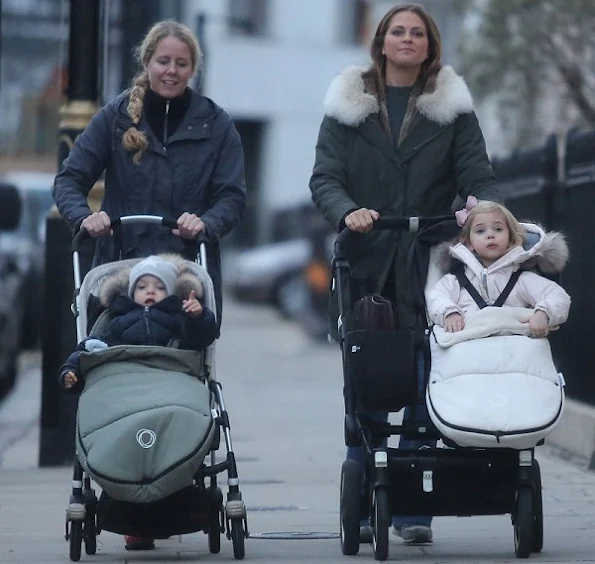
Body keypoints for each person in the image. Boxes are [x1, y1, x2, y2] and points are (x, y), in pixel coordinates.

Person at [309, 3, 502, 545]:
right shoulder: (349, 107)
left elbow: (477, 174)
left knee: (427, 374)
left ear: (430, 44)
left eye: (418, 33)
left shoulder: (453, 110)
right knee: (366, 380)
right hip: (367, 259)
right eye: (398, 31)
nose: (408, 39)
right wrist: (348, 211)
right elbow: (325, 177)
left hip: (430, 261)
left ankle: (414, 503)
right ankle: (365, 497)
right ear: (382, 41)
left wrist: (485, 214)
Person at [52, 19, 247, 326]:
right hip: (119, 271)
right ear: (147, 63)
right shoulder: (114, 119)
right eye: (163, 61)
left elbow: (232, 196)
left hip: (186, 274)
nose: (172, 70)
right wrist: (84, 217)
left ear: (193, 69)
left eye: (182, 63)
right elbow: (69, 180)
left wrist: (206, 223)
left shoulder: (217, 125)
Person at [58, 254, 218, 551]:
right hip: (124, 386)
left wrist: (198, 316)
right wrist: (71, 370)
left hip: (170, 380)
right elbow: (91, 348)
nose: (150, 291)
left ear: (172, 293)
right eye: (142, 286)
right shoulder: (116, 322)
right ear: (131, 293)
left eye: (158, 287)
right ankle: (130, 513)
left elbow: (200, 341)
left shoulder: (179, 320)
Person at [426, 198, 571, 335]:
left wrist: (543, 314)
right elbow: (436, 297)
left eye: (498, 229)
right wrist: (449, 312)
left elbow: (557, 296)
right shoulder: (456, 281)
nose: (490, 235)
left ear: (511, 239)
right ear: (469, 243)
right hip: (469, 351)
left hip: (513, 352)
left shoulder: (521, 280)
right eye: (480, 231)